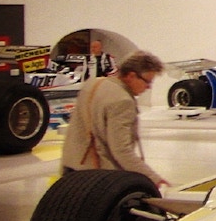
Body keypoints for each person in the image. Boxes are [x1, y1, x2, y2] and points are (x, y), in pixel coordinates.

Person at [60, 50, 169, 188]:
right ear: (131, 76)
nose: (148, 87)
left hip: (71, 168)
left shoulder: (92, 84)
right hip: (96, 178)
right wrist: (154, 179)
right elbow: (121, 151)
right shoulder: (122, 101)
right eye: (148, 81)